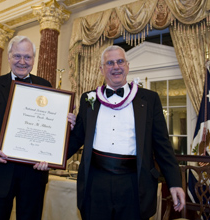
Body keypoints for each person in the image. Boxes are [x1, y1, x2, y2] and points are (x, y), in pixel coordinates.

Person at [67, 45, 185, 220]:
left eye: (120, 61)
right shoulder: (88, 99)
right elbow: (77, 138)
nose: (116, 66)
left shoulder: (149, 99)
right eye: (110, 63)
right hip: (96, 182)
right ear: (101, 69)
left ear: (127, 66)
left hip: (134, 182)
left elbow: (162, 145)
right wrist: (49, 155)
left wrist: (175, 182)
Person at [0, 35, 75, 220]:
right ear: (9, 57)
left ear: (34, 60)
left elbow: (51, 125)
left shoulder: (45, 85)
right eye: (17, 56)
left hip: (34, 173)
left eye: (27, 57)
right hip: (0, 169)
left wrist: (67, 124)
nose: (22, 61)